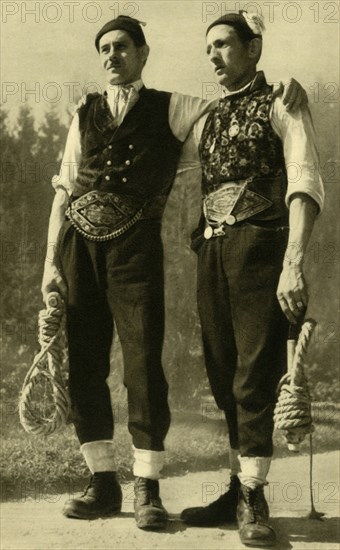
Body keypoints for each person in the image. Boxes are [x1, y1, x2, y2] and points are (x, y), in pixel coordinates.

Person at [41, 15, 307, 530]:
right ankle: (101, 482)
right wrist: (51, 264)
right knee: (85, 367)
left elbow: (235, 107)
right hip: (78, 248)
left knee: (143, 364)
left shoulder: (178, 107)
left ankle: (147, 487)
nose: (111, 56)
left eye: (121, 47)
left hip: (135, 251)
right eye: (104, 49)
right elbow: (63, 188)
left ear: (143, 54)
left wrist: (281, 88)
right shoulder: (85, 113)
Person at [180, 11, 324, 547]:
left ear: (253, 49)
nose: (214, 55)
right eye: (209, 47)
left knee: (253, 370)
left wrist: (293, 261)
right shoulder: (207, 116)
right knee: (221, 370)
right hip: (213, 252)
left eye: (224, 45)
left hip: (261, 248)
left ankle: (254, 497)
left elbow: (305, 179)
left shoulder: (282, 103)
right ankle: (239, 484)